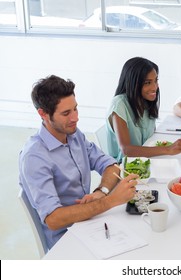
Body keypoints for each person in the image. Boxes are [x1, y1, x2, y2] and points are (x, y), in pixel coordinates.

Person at [19, 75, 138, 250]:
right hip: (66, 242)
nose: (75, 118)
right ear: (43, 114)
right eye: (66, 113)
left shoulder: (74, 134)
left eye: (75, 109)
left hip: (90, 224)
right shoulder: (35, 157)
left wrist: (101, 192)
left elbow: (110, 165)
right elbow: (54, 219)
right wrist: (110, 200)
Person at [107, 57, 181, 162]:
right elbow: (126, 150)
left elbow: (150, 139)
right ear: (133, 83)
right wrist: (168, 149)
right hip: (124, 168)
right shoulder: (119, 104)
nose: (154, 87)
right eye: (148, 82)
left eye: (156, 81)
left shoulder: (146, 102)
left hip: (145, 161)